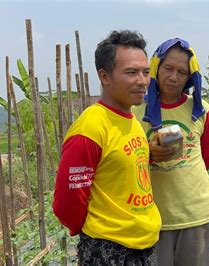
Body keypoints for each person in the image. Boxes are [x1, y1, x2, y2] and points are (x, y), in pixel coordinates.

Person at [52, 30, 161, 265]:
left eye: (145, 72)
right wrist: (98, 233)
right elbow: (66, 202)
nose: (142, 81)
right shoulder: (91, 127)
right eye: (131, 72)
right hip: (108, 250)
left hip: (143, 245)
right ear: (104, 76)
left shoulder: (131, 120)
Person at [133, 38, 209, 266]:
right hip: (153, 216)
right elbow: (125, 159)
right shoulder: (135, 110)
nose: (173, 77)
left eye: (182, 71)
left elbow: (208, 157)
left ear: (190, 76)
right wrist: (148, 154)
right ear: (155, 68)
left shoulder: (201, 110)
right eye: (168, 68)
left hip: (195, 214)